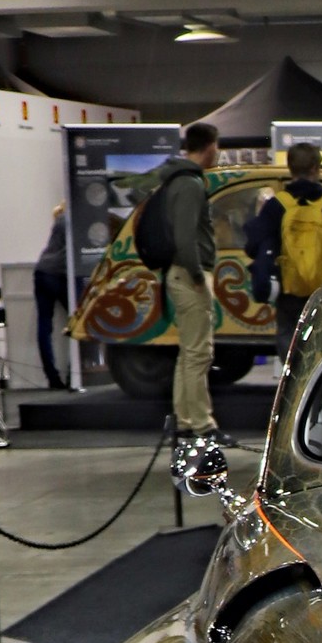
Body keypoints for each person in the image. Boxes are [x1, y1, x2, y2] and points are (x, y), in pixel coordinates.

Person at [137, 121, 220, 443]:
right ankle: (202, 423)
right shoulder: (190, 184)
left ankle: (186, 419)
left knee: (189, 352)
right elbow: (185, 238)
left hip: (178, 273)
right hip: (188, 275)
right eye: (217, 146)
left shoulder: (176, 179)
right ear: (209, 147)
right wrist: (198, 276)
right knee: (199, 353)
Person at [244, 142, 322, 363]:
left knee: (287, 331)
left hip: (288, 286)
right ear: (315, 168)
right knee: (320, 333)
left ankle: (291, 377)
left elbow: (253, 244)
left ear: (291, 168)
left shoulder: (277, 205)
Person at [32, 203, 69, 390]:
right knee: (78, 319)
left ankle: (52, 376)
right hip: (60, 273)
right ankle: (77, 371)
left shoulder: (60, 220)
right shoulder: (75, 221)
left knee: (44, 325)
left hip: (42, 270)